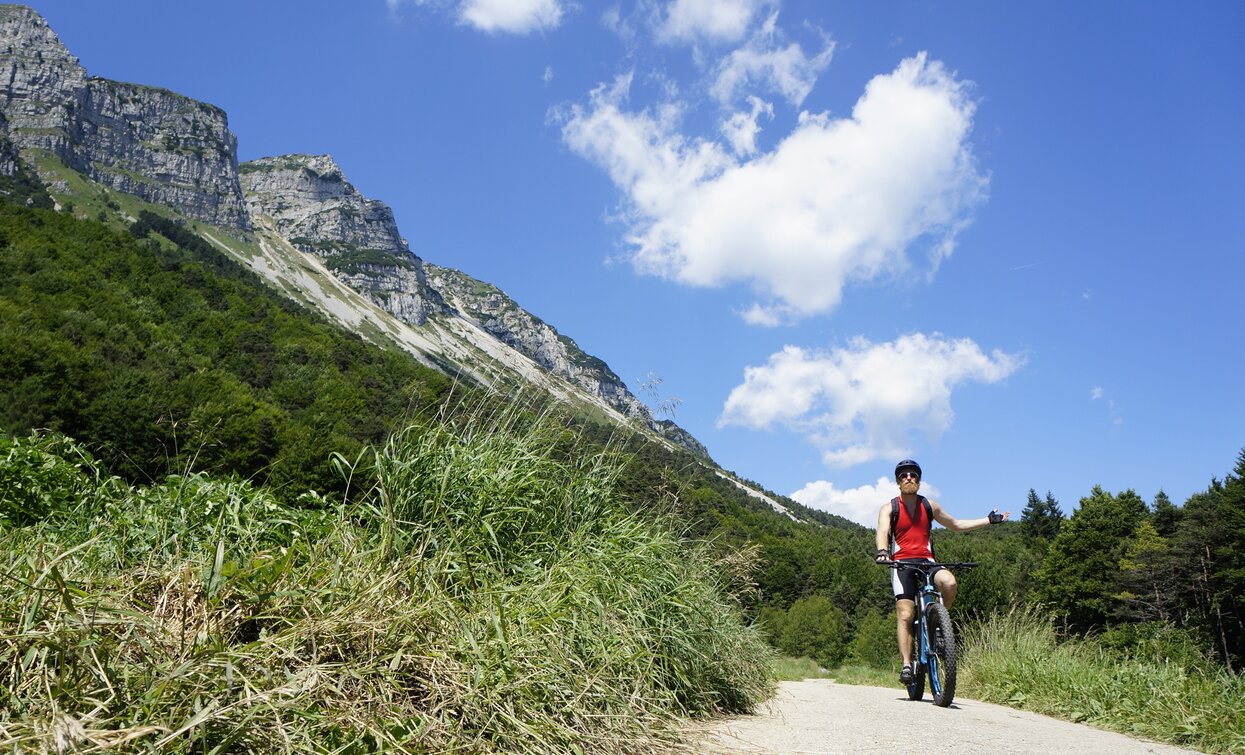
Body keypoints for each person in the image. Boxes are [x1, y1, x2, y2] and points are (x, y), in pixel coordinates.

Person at [873, 459, 1008, 684]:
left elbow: (955, 524)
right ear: (898, 481)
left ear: (918, 480)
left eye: (913, 475)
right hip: (902, 563)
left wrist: (988, 520)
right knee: (906, 614)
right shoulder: (890, 507)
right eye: (904, 475)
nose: (909, 478)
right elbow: (883, 531)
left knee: (949, 583)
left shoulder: (929, 506)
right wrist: (882, 551)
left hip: (927, 560)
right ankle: (907, 665)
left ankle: (938, 622)